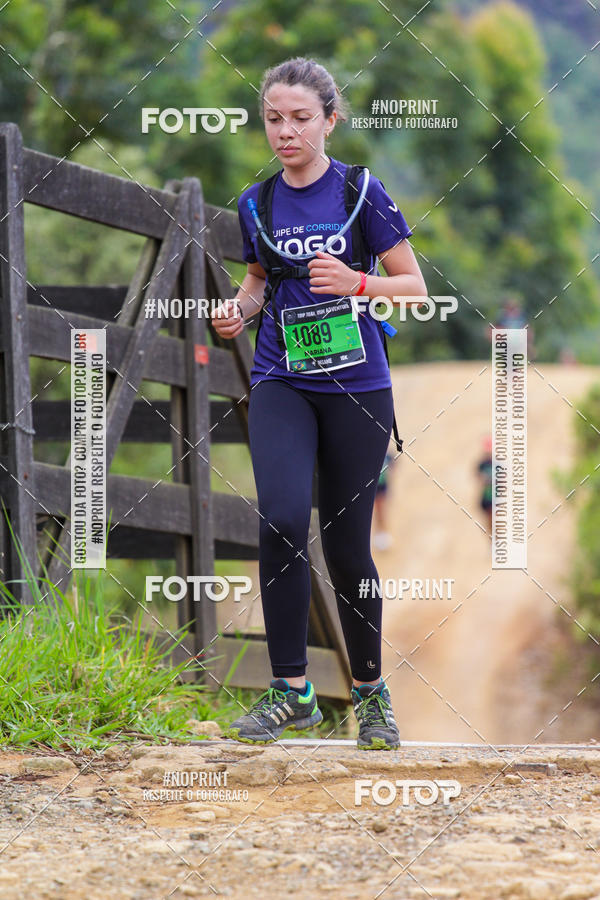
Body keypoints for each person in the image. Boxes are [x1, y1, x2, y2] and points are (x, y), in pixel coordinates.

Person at [211, 57, 427, 750]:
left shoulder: (363, 194)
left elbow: (413, 288)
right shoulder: (256, 203)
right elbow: (256, 283)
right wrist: (237, 312)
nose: (286, 131)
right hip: (283, 379)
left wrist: (359, 282)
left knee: (345, 548)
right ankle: (292, 690)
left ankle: (370, 693)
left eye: (301, 118)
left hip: (358, 388)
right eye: (274, 118)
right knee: (277, 518)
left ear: (330, 119)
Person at [372, 445, 396, 551]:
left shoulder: (386, 454)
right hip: (374, 486)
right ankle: (380, 534)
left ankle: (382, 534)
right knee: (379, 511)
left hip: (381, 485)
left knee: (381, 511)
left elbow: (393, 465)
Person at [476, 435, 493, 535]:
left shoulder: (497, 464)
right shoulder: (482, 464)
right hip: (486, 497)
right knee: (489, 522)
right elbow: (478, 478)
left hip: (497, 497)